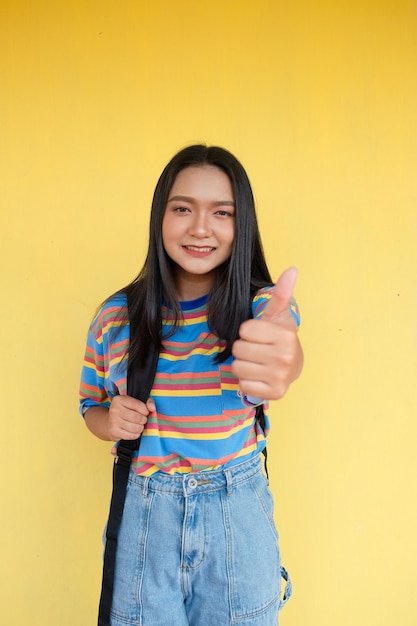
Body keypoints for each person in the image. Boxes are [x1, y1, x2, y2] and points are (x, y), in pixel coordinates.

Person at [79, 144, 303, 626]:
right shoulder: (115, 317)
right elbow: (90, 407)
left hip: (234, 513)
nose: (200, 228)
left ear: (241, 226)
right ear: (159, 217)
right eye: (183, 208)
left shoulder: (259, 308)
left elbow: (282, 352)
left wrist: (281, 360)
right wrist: (109, 419)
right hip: (146, 517)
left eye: (222, 213)